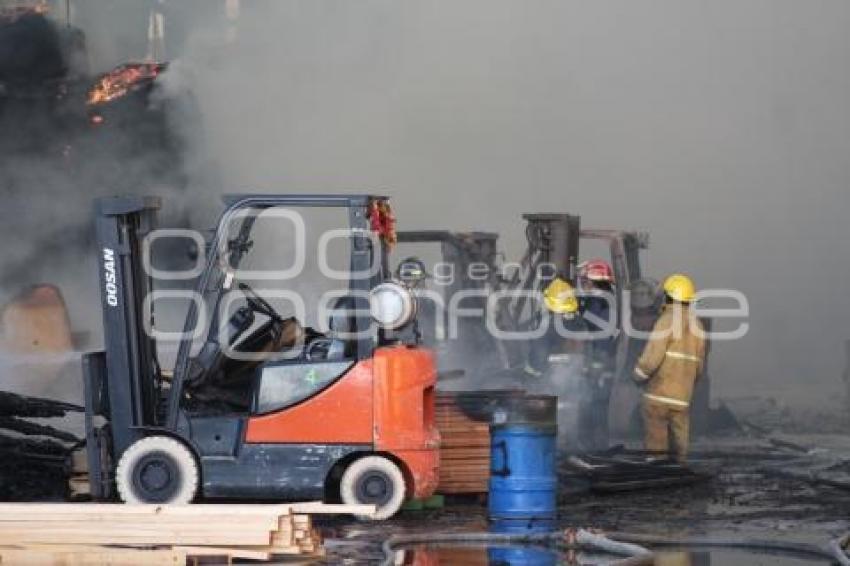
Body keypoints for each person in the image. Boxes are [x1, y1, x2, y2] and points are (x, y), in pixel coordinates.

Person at [633, 274, 705, 462]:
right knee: (680, 440)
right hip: (682, 397)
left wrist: (638, 375)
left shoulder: (666, 320)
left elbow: (652, 357)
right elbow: (699, 367)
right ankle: (679, 469)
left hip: (658, 394)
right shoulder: (697, 325)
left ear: (668, 297)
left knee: (656, 438)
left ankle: (657, 469)